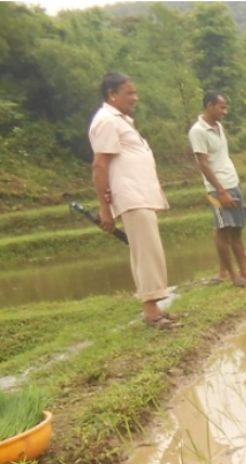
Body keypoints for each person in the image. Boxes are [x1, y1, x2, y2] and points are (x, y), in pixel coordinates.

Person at [89, 72, 175, 328]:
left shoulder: (120, 121)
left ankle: (154, 307)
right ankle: (151, 312)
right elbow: (99, 165)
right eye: (129, 93)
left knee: (147, 251)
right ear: (111, 95)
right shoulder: (106, 121)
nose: (135, 98)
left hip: (141, 195)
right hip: (131, 196)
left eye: (135, 93)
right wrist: (105, 208)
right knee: (146, 252)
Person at [188, 91, 246, 287]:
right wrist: (221, 191)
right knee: (222, 231)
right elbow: (202, 163)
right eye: (222, 107)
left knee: (236, 230)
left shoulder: (218, 126)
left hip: (232, 182)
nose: (225, 112)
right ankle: (233, 275)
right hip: (217, 189)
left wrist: (230, 186)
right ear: (209, 106)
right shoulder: (198, 131)